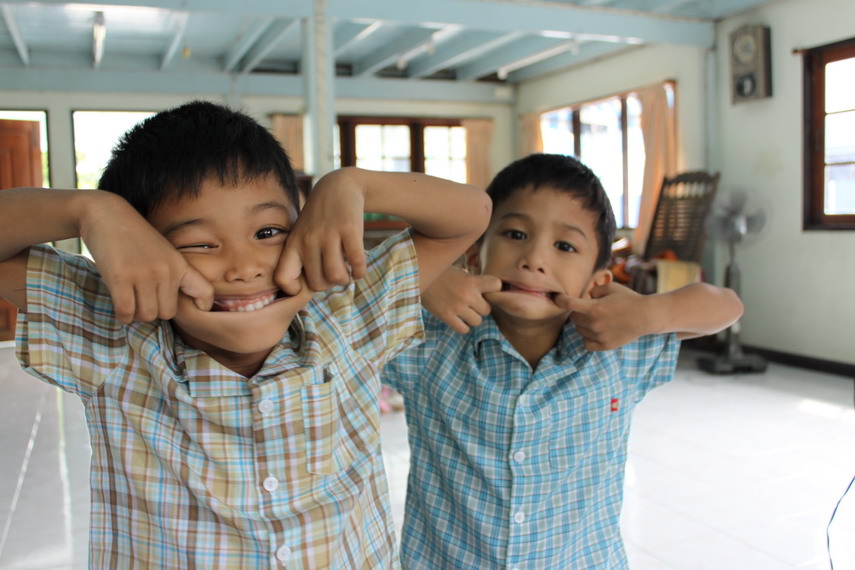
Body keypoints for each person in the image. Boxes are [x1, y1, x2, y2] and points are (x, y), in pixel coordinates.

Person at [0, 100, 491, 568]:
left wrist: (354, 184)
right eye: (199, 243)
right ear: (142, 255)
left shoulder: (349, 314)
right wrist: (91, 211)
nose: (244, 267)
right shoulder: (114, 333)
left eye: (268, 232)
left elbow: (471, 214)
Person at [382, 153, 744, 569]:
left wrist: (649, 312)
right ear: (475, 255)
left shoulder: (618, 348)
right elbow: (333, 289)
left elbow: (727, 307)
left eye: (565, 246)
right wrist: (420, 277)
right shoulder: (428, 341)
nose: (534, 259)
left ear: (595, 283)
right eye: (516, 234)